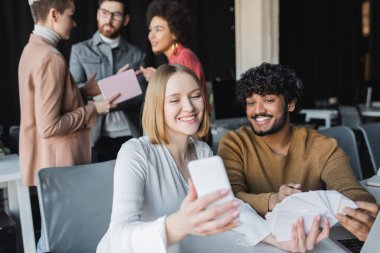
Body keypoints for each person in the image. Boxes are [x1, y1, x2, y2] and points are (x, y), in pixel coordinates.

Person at [97, 64, 329, 253]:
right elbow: (116, 239)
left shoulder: (203, 152)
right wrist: (177, 225)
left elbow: (230, 207)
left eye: (195, 96)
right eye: (174, 99)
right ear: (158, 106)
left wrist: (277, 238)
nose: (189, 107)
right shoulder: (135, 152)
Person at [217, 62, 375, 217]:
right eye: (250, 103)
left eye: (268, 100)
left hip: (311, 238)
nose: (257, 110)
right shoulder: (235, 143)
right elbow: (229, 198)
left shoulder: (321, 146)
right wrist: (274, 200)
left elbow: (350, 190)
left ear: (290, 104)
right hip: (250, 240)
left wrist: (362, 211)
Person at [19, 0, 118, 187]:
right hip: (61, 167)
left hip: (46, 163)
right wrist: (93, 109)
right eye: (71, 16)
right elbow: (49, 127)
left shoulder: (30, 50)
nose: (74, 23)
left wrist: (84, 91)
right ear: (54, 15)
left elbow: (43, 106)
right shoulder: (50, 58)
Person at [70, 0, 146, 162]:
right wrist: (117, 84)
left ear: (125, 20)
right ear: (98, 14)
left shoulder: (136, 54)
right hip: (93, 138)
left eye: (116, 15)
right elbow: (73, 95)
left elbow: (141, 96)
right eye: (104, 13)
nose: (109, 20)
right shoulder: (79, 51)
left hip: (130, 136)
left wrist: (99, 94)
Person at [139, 0, 211, 113]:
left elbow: (188, 100)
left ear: (174, 33)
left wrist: (158, 80)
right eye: (150, 30)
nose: (151, 36)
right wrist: (157, 78)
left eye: (158, 30)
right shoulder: (174, 59)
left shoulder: (184, 57)